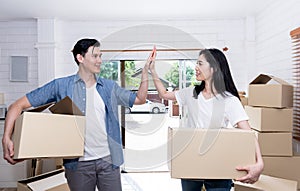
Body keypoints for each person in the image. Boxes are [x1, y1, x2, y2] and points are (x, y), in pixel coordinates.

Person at [2, 38, 155, 191]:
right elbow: (16, 106)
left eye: (100, 56)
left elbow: (140, 99)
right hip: (78, 165)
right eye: (95, 56)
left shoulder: (109, 87)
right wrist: (6, 138)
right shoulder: (60, 86)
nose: (100, 60)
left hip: (109, 161)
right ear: (80, 58)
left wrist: (145, 72)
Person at [149, 48, 264, 191]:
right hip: (191, 162)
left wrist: (260, 163)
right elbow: (164, 94)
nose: (196, 67)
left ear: (214, 68)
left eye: (200, 63)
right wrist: (153, 71)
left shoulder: (229, 100)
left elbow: (248, 133)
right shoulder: (191, 93)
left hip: (218, 164)